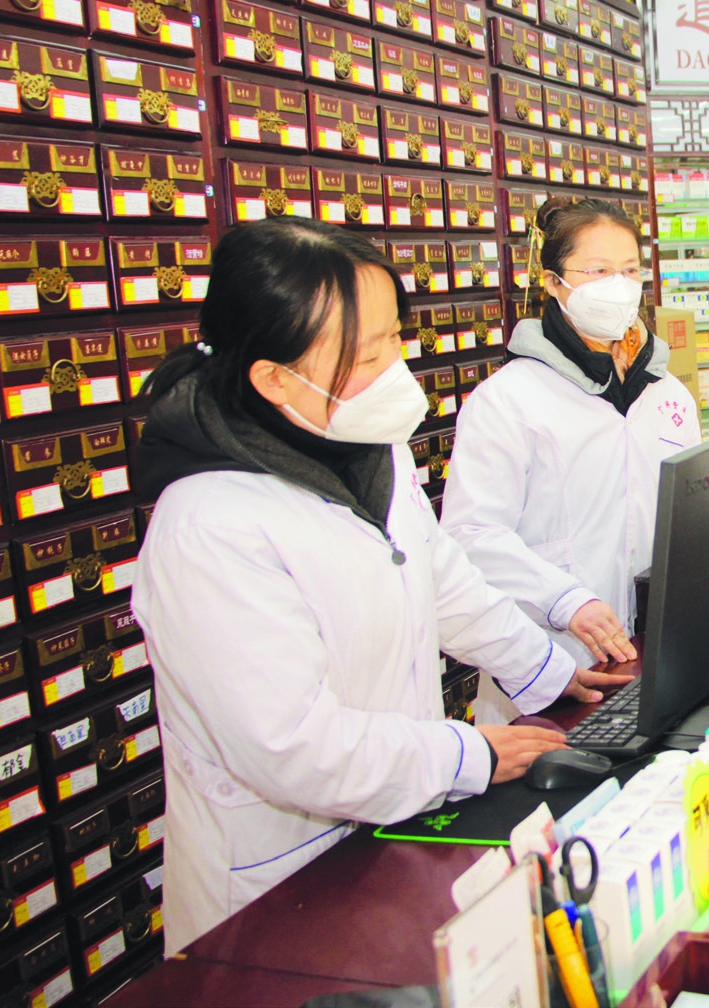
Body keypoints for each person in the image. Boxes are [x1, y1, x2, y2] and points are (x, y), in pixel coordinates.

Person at [131, 217, 629, 952]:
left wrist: (551, 674)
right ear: (273, 378)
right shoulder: (209, 526)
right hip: (279, 885)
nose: (395, 369)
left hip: (395, 830)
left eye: (394, 337)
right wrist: (468, 756)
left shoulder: (364, 446)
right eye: (366, 355)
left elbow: (443, 581)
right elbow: (289, 744)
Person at [441, 198, 700, 673]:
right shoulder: (507, 399)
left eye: (629, 270)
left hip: (656, 646)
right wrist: (563, 599)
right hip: (554, 657)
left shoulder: (668, 393)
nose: (618, 286)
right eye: (598, 271)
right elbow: (470, 536)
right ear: (552, 282)